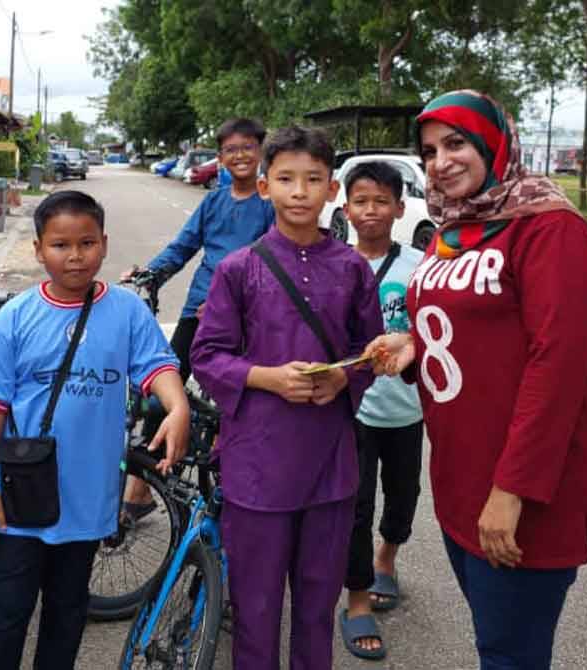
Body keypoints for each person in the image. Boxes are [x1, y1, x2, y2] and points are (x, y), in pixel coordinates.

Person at [365, 90, 587, 669]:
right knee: (492, 641)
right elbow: (473, 323)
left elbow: (559, 363)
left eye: (456, 143)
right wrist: (414, 343)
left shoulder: (547, 228)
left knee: (509, 654)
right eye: (428, 151)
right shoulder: (457, 229)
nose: (440, 162)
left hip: (524, 491)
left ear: (493, 143)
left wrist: (513, 491)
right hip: (462, 476)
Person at [0, 190, 189, 670]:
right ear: (39, 249)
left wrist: (177, 406)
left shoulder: (127, 312)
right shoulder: (15, 319)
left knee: (67, 614)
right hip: (19, 499)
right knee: (3, 616)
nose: (75, 256)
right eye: (60, 245)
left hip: (88, 501)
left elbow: (157, 367)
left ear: (104, 245)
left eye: (86, 243)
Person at [191, 126, 384, 670]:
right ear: (266, 185)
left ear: (332, 189)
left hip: (330, 467)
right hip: (257, 466)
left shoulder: (352, 269)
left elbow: (367, 351)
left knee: (317, 609)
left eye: (313, 179)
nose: (300, 191)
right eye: (286, 179)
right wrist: (266, 377)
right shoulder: (238, 269)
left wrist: (347, 378)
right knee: (254, 609)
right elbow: (208, 355)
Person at [119, 117, 274, 520]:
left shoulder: (271, 204)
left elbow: (274, 264)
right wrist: (150, 273)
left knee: (233, 404)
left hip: (247, 317)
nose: (239, 156)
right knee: (160, 388)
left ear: (261, 152)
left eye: (247, 148)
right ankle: (142, 487)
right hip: (197, 308)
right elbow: (183, 246)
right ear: (220, 158)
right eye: (230, 150)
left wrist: (234, 302)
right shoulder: (213, 202)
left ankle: (231, 494)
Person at [336, 162, 425, 661]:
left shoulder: (419, 266)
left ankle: (387, 557)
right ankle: (356, 598)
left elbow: (434, 331)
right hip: (353, 410)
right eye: (361, 201)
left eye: (381, 201)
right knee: (355, 504)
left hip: (407, 410)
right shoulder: (333, 264)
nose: (370, 211)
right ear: (345, 209)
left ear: (399, 208)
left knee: (404, 495)